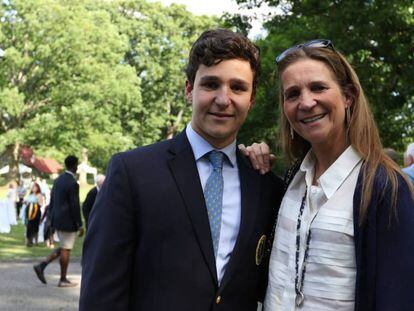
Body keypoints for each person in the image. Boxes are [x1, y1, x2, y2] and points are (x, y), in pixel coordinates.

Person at [79, 29, 284, 311]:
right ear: (189, 90)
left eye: (237, 87)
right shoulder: (132, 172)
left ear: (251, 99)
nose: (223, 99)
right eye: (211, 85)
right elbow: (100, 294)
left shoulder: (265, 185)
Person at [243, 39, 414, 310]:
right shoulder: (291, 180)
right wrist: (250, 165)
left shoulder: (385, 188)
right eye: (293, 94)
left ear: (348, 96)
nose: (306, 102)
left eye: (318, 87)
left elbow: (397, 297)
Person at [33, 155, 84, 287]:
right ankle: (62, 279)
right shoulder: (73, 183)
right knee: (66, 249)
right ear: (75, 166)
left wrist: (51, 219)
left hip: (58, 219)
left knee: (63, 247)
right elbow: (74, 205)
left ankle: (42, 266)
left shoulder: (58, 180)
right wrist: (79, 224)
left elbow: (53, 201)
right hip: (68, 221)